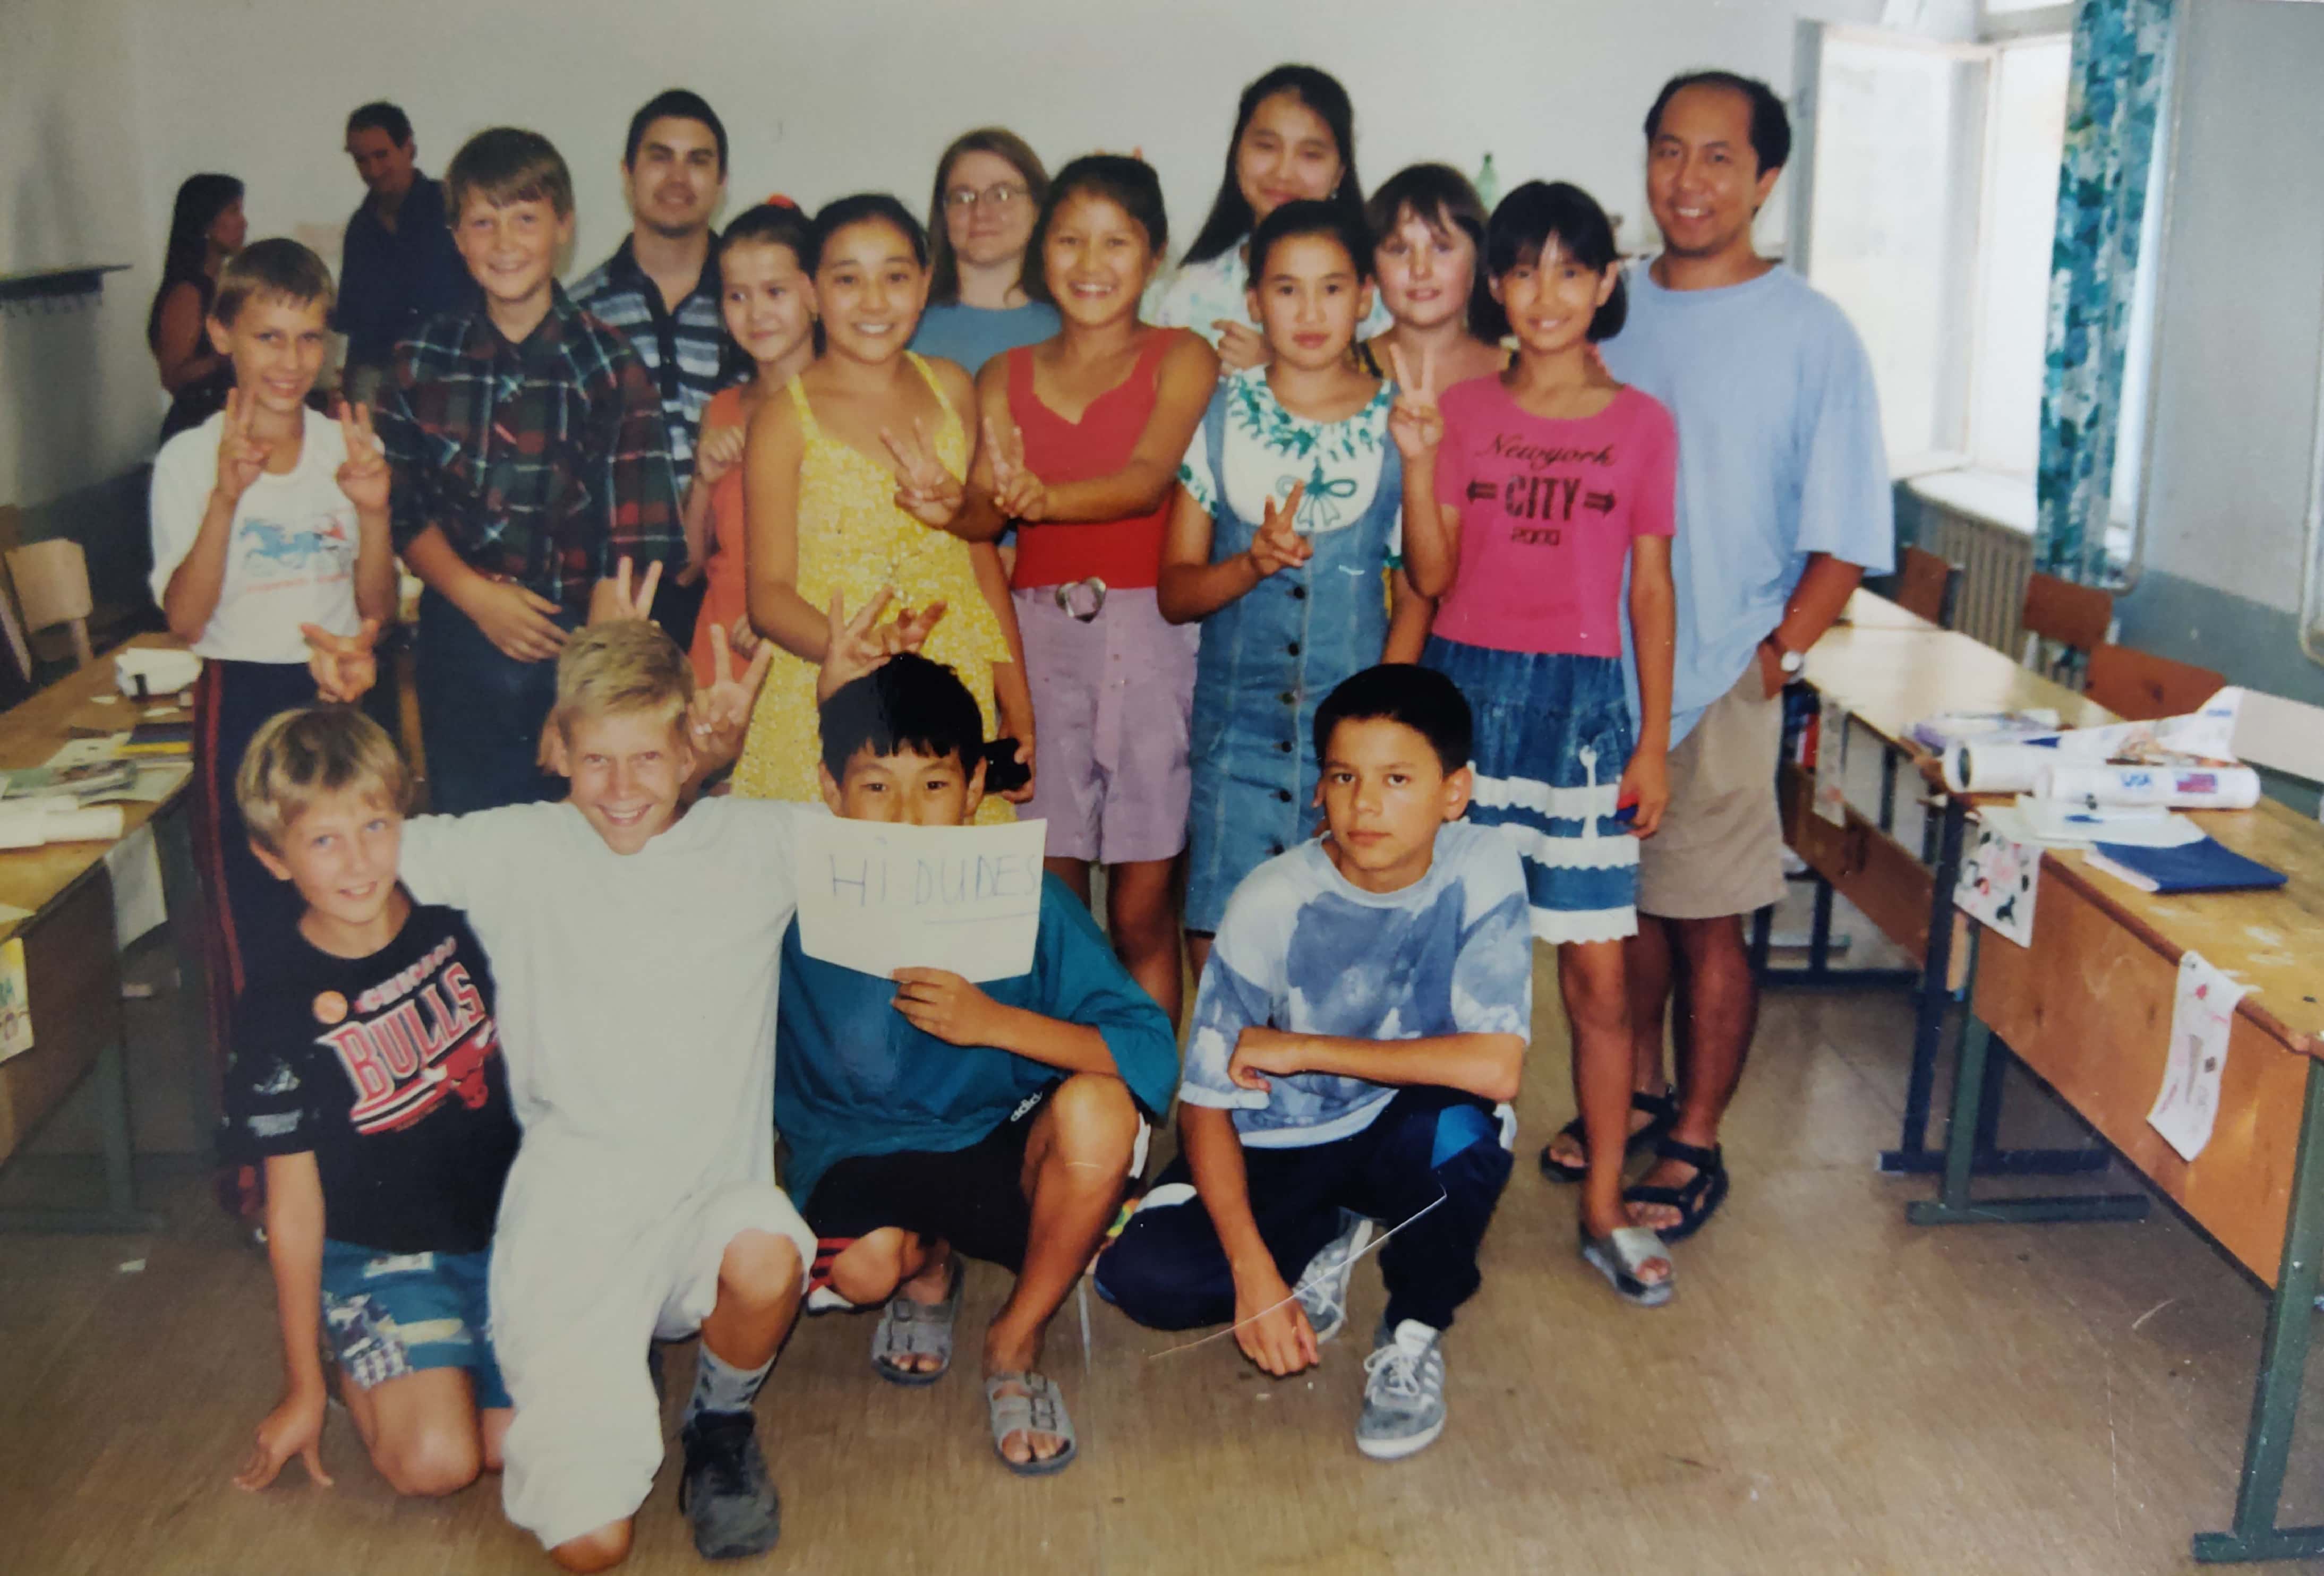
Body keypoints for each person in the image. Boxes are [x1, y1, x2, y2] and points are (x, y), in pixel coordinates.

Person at [307, 588, 936, 1569]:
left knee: (769, 1251)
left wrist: (859, 698)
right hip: (574, 1224)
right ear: (557, 747)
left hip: (705, 1208)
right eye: (595, 758)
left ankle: (718, 1424)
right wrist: (348, 722)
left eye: (648, 756)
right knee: (593, 1545)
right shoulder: (514, 846)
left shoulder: (759, 842)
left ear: (692, 748)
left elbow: (903, 852)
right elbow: (350, 858)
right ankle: (560, 1361)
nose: (620, 787)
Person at [1584, 71, 1894, 1243]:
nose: (1687, 180)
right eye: (1669, 151)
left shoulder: (1811, 331)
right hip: (1593, 667)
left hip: (1716, 671)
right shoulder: (1610, 302)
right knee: (1625, 915)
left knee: (1708, 915)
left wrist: (1775, 653)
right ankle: (1643, 1093)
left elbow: (1849, 532)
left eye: (1719, 158)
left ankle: (1696, 1130)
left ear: (1766, 178)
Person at [1093, 664, 1528, 1462]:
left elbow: (1499, 1066)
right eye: (1344, 777)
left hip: (1398, 1120)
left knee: (1467, 1133)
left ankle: (1413, 1329)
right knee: (1144, 1278)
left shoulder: (1483, 866)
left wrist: (1303, 1048)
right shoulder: (1271, 899)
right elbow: (1206, 1108)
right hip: (1280, 1144)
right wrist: (1255, 1276)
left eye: (1398, 779)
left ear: (1454, 791)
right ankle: (1323, 1236)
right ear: (1320, 788)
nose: (1366, 805)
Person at [776, 653, 1178, 1475]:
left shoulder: (1027, 898)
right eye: (875, 785)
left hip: (999, 1142)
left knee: (1101, 1110)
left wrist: (996, 1024)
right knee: (861, 1272)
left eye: (933, 785)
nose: (906, 815)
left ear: (973, 792)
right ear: (828, 788)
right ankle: (926, 1263)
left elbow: (1148, 1050)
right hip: (855, 1148)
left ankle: (1015, 1341)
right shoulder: (786, 898)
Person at [1391, 179, 1680, 1305]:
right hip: (1469, 698)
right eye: (1521, 270)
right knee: (1446, 977)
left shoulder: (1644, 424)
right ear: (1494, 286)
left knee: (1598, 981)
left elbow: (1650, 594)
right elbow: (1430, 575)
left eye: (1571, 270)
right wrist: (1418, 461)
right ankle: (1422, 1198)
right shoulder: (1461, 411)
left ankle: (1604, 1203)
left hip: (1584, 722)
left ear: (1606, 284)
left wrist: (1651, 741)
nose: (1545, 294)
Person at [225, 706, 520, 1503]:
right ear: (273, 856)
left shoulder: (455, 923)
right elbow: (290, 1210)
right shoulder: (274, 1005)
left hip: (507, 1232)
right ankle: (350, 1349)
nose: (358, 863)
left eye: (375, 827)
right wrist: (302, 1389)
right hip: (380, 1257)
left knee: (514, 1450)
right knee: (439, 1463)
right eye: (323, 840)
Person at [961, 155, 1217, 1020]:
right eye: (1069, 239)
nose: (1090, 261)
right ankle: (1070, 1108)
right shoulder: (1001, 374)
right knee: (1054, 907)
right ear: (1042, 254)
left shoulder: (1186, 356)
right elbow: (976, 518)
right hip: (1035, 650)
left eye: (1116, 241)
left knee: (1144, 911)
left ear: (1155, 257)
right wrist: (947, 501)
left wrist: (1040, 500)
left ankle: (1143, 1116)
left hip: (1152, 648)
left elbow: (1147, 479)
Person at [372, 127, 683, 815]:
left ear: (563, 227)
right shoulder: (420, 358)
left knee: (581, 848)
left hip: (581, 639)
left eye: (525, 219)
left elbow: (627, 547)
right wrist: (478, 596)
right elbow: (401, 511)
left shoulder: (610, 365)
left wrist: (580, 699)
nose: (504, 242)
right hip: (459, 633)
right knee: (475, 847)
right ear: (457, 235)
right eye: (483, 222)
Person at [149, 238, 397, 1084]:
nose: (291, 362)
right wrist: (227, 497)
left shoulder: (346, 448)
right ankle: (267, 1155)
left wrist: (374, 512)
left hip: (338, 696)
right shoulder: (190, 460)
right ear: (223, 335)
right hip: (242, 700)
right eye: (268, 337)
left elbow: (379, 608)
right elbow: (184, 619)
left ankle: (363, 1119)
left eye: (309, 338)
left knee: (357, 910)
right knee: (252, 924)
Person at [1157, 200, 1401, 981]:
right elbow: (1176, 591)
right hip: (1237, 737)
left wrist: (1388, 712)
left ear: (1365, 298)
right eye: (1286, 290)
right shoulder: (1221, 415)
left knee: (1344, 942)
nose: (1309, 310)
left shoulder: (1399, 423)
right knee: (1225, 935)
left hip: (1353, 741)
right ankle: (1221, 1098)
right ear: (1254, 302)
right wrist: (1251, 565)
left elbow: (1427, 583)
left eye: (1332, 289)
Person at [731, 194, 1029, 824]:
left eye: (894, 277)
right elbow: (769, 595)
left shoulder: (950, 386)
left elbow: (979, 551)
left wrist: (1018, 702)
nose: (873, 301)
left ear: (924, 285)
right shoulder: (783, 419)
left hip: (950, 683)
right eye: (847, 279)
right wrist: (860, 648)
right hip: (833, 686)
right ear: (811, 291)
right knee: (826, 903)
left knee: (943, 896)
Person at [571, 89, 737, 653]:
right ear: (627, 173)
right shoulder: (579, 312)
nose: (678, 176)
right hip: (614, 587)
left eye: (698, 160)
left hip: (735, 580)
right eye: (660, 156)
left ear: (722, 180)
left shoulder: (757, 308)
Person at [1147, 64, 1387, 372]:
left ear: (1340, 174)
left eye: (1311, 154)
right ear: (1237, 155)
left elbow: (1388, 397)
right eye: (1266, 147)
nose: (1284, 173)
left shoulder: (1376, 295)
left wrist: (1280, 366)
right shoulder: (1191, 292)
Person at [1361, 162, 1506, 665]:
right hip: (1365, 630)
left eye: (1442, 248)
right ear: (1372, 268)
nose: (1420, 269)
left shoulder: (1519, 374)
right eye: (1399, 249)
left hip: (1487, 638)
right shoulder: (1343, 369)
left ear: (1479, 260)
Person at [685, 202, 819, 688]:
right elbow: (689, 564)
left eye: (774, 292)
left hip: (811, 646)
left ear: (813, 293)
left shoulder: (841, 406)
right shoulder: (719, 409)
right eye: (737, 296)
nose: (757, 312)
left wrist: (782, 620)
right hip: (721, 656)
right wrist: (704, 480)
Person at [337, 102, 474, 407]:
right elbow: (353, 324)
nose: (373, 170)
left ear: (409, 147)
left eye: (382, 155)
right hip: (379, 379)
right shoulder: (359, 229)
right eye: (362, 160)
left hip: (451, 369)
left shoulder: (453, 206)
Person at [911, 129, 1059, 376]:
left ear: (1037, 208)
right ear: (943, 214)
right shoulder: (904, 329)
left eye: (1002, 195)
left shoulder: (1072, 332)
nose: (981, 211)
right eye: (963, 197)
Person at [148, 173, 247, 440]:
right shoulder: (188, 292)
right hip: (196, 427)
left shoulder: (222, 284)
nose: (243, 223)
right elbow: (173, 376)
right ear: (207, 222)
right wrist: (229, 353)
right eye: (233, 212)